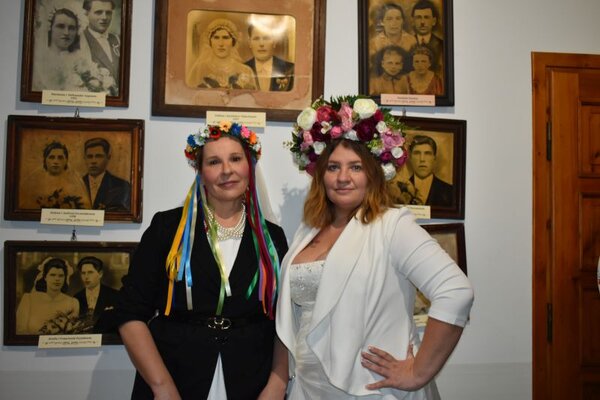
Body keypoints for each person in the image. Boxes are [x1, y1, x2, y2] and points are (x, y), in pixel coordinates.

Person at [278, 96, 474, 399]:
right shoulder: (309, 230)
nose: (343, 178)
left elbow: (456, 291)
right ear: (320, 174)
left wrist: (419, 371)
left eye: (355, 167)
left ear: (373, 173)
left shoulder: (393, 225)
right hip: (307, 384)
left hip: (369, 388)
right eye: (333, 167)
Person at [114, 122, 289, 399]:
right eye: (214, 162)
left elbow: (284, 319)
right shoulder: (167, 228)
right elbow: (130, 312)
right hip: (175, 378)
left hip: (252, 381)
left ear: (250, 166)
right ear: (200, 171)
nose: (226, 170)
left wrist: (277, 385)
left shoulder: (272, 237)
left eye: (235, 159)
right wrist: (162, 387)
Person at [187, 19, 256, 90]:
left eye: (225, 38)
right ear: (209, 42)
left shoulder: (245, 70)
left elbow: (252, 95)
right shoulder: (199, 69)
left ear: (233, 41)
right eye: (216, 38)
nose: (221, 43)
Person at [16, 258, 80, 334]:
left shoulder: (73, 303)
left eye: (61, 276)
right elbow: (19, 331)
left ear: (65, 278)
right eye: (52, 275)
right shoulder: (28, 299)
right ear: (45, 277)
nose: (57, 279)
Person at [20, 141, 91, 209]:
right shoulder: (34, 181)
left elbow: (85, 207)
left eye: (60, 158)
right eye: (51, 157)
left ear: (66, 160)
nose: (56, 161)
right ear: (45, 160)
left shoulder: (76, 181)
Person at [32, 8, 81, 91]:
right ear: (51, 28)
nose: (66, 32)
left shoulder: (81, 61)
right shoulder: (39, 61)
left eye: (71, 28)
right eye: (61, 26)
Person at [82, 137, 131, 211]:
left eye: (98, 156)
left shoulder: (122, 186)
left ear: (108, 157)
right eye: (89, 156)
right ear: (84, 158)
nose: (93, 161)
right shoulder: (77, 185)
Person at [244, 21, 294, 91]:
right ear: (250, 42)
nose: (261, 44)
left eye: (266, 38)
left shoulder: (290, 69)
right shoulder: (241, 69)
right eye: (256, 39)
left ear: (274, 42)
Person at [80, 0, 120, 88]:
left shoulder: (118, 40)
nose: (104, 17)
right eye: (98, 12)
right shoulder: (79, 41)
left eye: (108, 13)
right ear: (86, 13)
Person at [408, 135, 453, 207]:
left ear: (434, 158)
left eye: (427, 153)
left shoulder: (450, 191)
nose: (422, 159)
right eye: (417, 153)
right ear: (410, 157)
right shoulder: (398, 190)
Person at [74, 256, 120, 321]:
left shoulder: (114, 295)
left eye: (90, 272)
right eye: (83, 273)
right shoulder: (76, 298)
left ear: (100, 274)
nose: (86, 277)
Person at [411, 0, 443, 74]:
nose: (422, 22)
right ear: (413, 21)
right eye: (418, 17)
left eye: (426, 17)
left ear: (434, 21)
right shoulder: (407, 44)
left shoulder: (442, 45)